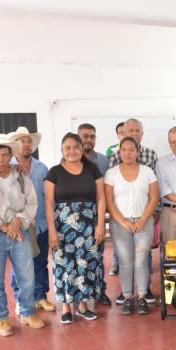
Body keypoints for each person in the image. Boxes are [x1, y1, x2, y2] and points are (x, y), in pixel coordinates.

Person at [0, 134, 45, 336]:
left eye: (5, 155)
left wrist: (18, 222)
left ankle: (27, 312)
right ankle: (2, 318)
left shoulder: (21, 176)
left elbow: (32, 202)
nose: (0, 160)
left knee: (27, 276)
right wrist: (6, 227)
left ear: (11, 155)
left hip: (19, 232)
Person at [45, 133, 106, 323]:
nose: (71, 151)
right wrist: (52, 231)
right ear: (62, 150)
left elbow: (101, 198)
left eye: (75, 147)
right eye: (67, 147)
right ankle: (65, 308)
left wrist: (100, 225)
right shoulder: (54, 172)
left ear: (81, 149)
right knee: (64, 265)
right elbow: (48, 203)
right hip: (63, 228)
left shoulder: (93, 170)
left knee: (86, 264)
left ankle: (82, 307)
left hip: (88, 226)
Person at [105, 137, 159, 315]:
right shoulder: (111, 173)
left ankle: (142, 297)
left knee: (142, 261)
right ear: (119, 152)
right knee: (126, 263)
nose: (127, 153)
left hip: (144, 222)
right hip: (120, 224)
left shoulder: (147, 171)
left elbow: (153, 198)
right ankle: (128, 298)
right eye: (124, 150)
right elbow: (109, 201)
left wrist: (143, 220)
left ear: (138, 152)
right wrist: (124, 222)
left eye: (131, 149)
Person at [7, 127, 55, 315]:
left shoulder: (41, 167)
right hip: (18, 225)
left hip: (40, 224)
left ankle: (40, 295)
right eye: (22, 141)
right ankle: (21, 298)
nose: (26, 145)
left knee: (41, 262)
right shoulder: (7, 167)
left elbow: (47, 197)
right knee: (20, 264)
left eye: (29, 141)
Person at [77, 123, 111, 305]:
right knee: (76, 256)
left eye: (92, 136)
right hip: (76, 217)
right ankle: (78, 294)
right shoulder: (67, 158)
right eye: (85, 136)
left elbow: (105, 190)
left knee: (97, 254)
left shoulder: (104, 161)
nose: (88, 140)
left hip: (96, 215)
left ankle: (100, 291)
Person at [109, 122, 126, 276]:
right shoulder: (112, 152)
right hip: (118, 206)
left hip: (140, 208)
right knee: (119, 242)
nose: (123, 134)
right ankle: (117, 263)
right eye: (120, 132)